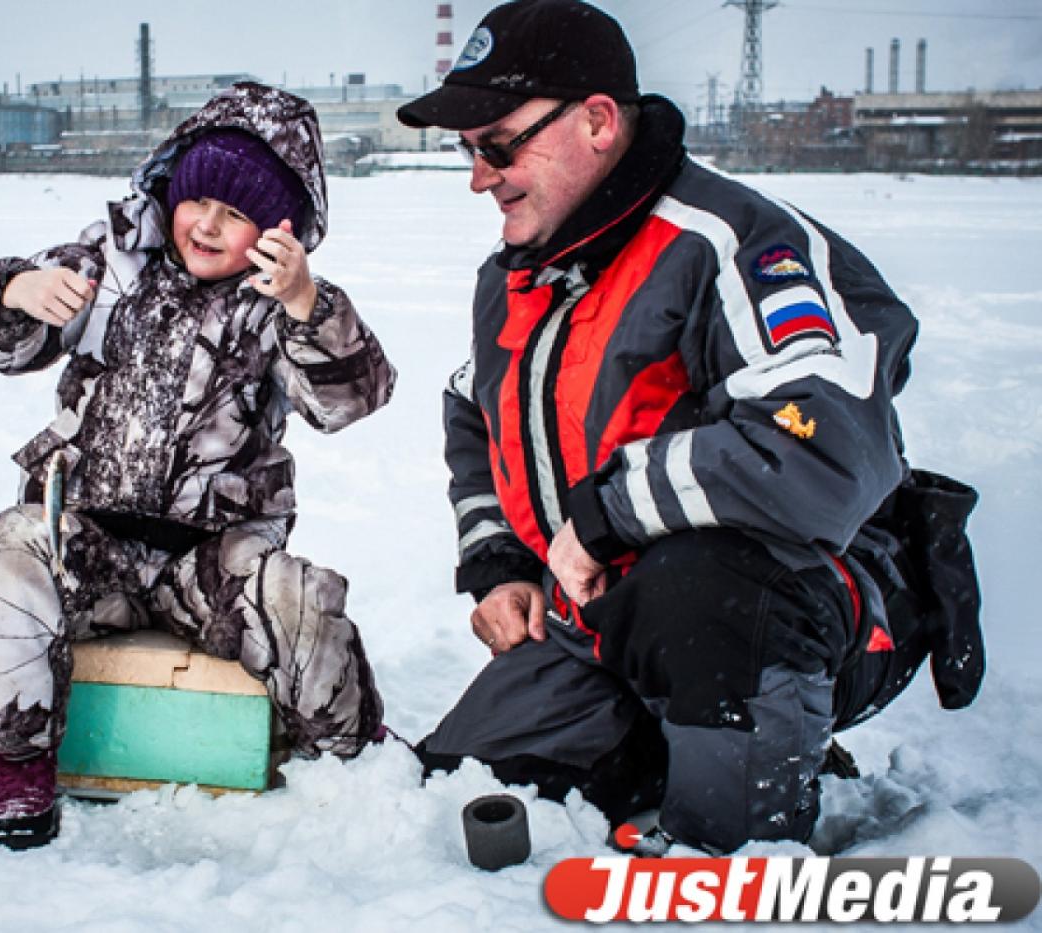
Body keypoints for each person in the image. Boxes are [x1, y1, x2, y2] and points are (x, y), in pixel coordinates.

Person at [398, 0, 982, 855]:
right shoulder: (516, 277)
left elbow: (818, 452)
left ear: (598, 121)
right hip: (609, 616)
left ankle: (737, 846)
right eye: (467, 149)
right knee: (463, 785)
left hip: (800, 598)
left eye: (499, 144)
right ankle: (679, 742)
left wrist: (601, 517)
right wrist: (501, 565)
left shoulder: (734, 245)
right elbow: (474, 418)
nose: (480, 175)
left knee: (702, 594)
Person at [0, 82, 395, 849]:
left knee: (297, 599)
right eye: (199, 202)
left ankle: (354, 760)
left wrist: (304, 301)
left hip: (210, 560)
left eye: (236, 214)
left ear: (274, 230)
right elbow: (6, 343)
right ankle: (16, 774)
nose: (209, 225)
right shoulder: (108, 261)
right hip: (87, 540)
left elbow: (351, 397)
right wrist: (18, 290)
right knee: (3, 554)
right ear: (172, 191)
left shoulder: (277, 302)